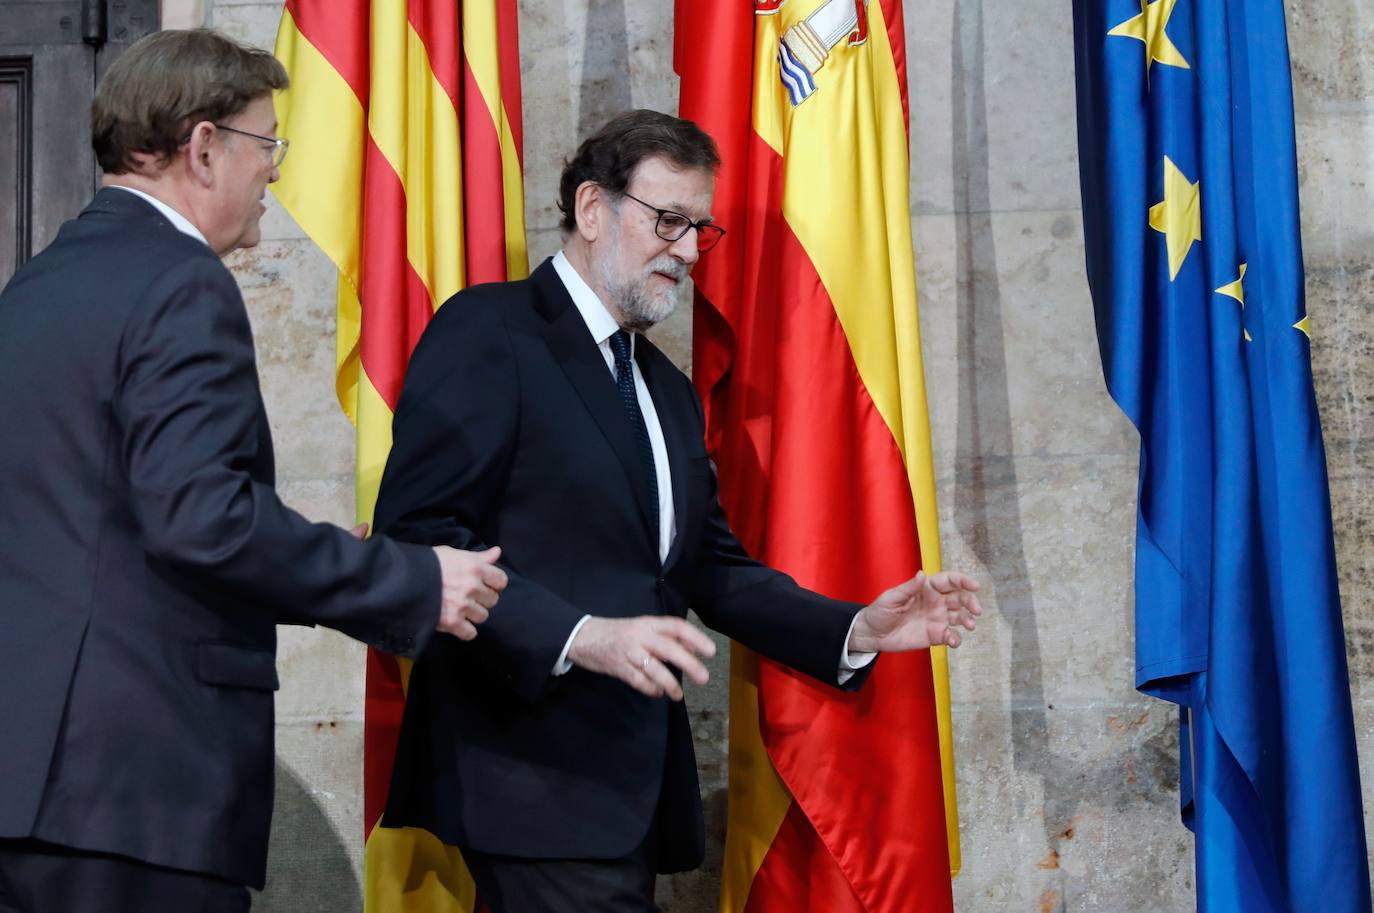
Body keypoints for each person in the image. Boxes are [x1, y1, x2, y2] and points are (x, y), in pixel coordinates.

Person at [371, 109, 983, 912]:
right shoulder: (490, 332)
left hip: (627, 787)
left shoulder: (660, 383)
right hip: (524, 774)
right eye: (669, 221)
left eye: (700, 228)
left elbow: (705, 566)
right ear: (593, 210)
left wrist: (857, 627)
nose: (690, 251)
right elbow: (417, 541)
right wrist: (577, 636)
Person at [0, 29, 505, 913]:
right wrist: (405, 578)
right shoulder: (180, 282)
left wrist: (302, 552)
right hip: (137, 792)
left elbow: (115, 530)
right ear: (203, 148)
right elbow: (202, 519)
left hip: (34, 787)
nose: (274, 171)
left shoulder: (34, 288)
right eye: (267, 144)